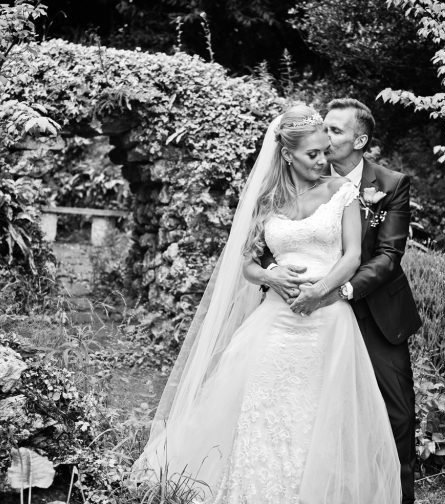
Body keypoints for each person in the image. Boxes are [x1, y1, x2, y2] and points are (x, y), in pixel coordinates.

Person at [131, 104, 402, 503]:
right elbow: (246, 265)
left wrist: (320, 291)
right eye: (313, 154)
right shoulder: (268, 200)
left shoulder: (342, 192)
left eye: (326, 150)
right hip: (275, 322)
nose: (323, 160)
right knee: (263, 411)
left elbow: (352, 257)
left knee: (316, 415)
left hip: (327, 322)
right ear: (287, 154)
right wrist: (270, 275)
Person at [258, 98, 422, 504]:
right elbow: (277, 239)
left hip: (372, 311)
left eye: (335, 131)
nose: (325, 139)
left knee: (397, 414)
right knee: (313, 410)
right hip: (309, 315)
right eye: (322, 129)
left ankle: (399, 498)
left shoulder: (391, 184)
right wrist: (273, 275)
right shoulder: (305, 176)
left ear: (359, 140)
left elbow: (387, 256)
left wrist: (339, 290)